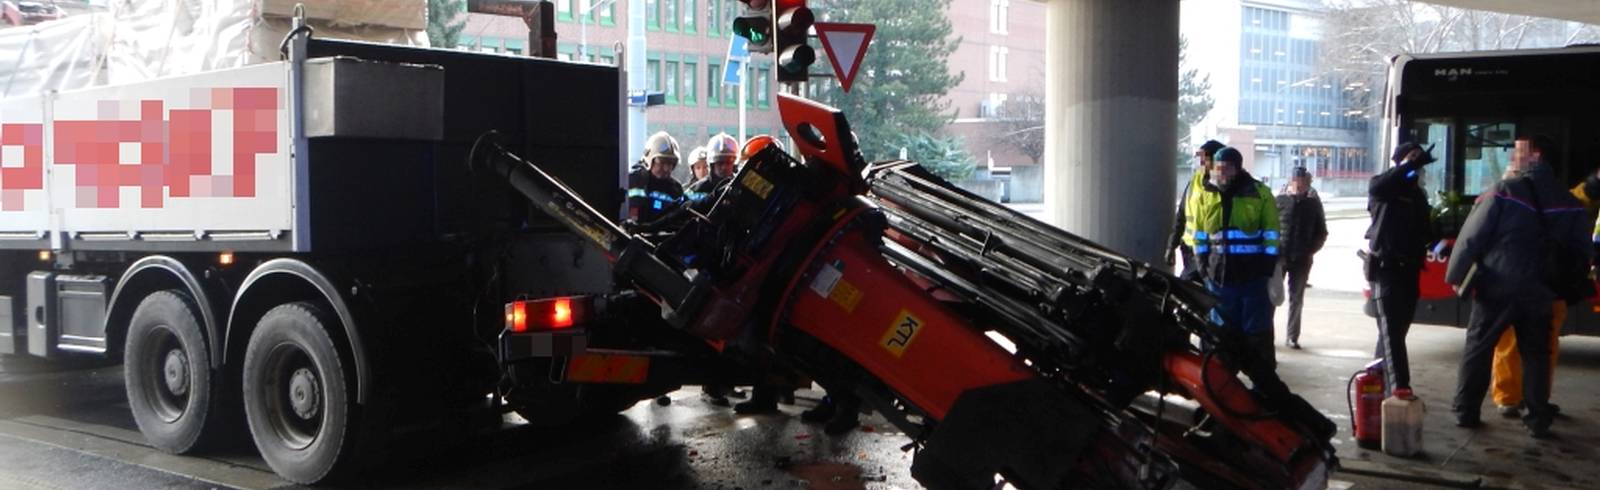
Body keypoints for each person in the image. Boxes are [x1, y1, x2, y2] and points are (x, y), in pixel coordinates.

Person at [1446, 135, 1590, 438]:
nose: (1512, 159)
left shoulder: (1504, 191)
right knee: (1537, 354)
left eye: (1516, 153)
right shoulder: (1570, 203)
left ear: (1534, 157)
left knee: (1479, 348)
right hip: (1541, 292)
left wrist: (1456, 276)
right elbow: (1581, 252)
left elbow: (1472, 238)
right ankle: (1537, 418)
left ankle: (1466, 412)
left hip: (1497, 287)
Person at [1491, 167, 1600, 418]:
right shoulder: (1560, 200)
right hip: (1546, 286)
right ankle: (1530, 400)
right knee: (1541, 347)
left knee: (1520, 344)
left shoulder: (1508, 198)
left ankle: (1516, 398)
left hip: (1525, 284)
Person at [1182, 146, 1281, 368]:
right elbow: (1199, 235)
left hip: (1253, 279)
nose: (1221, 173)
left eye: (1226, 168)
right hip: (1219, 278)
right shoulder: (1205, 195)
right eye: (1218, 168)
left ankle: (1262, 392)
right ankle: (1222, 393)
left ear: (1238, 168)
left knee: (1258, 337)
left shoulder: (1259, 193)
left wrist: (1266, 269)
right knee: (1220, 339)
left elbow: (1272, 235)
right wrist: (1204, 267)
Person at [1364, 142, 1437, 401]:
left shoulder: (1418, 195)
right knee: (1392, 331)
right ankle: (1400, 388)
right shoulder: (1384, 188)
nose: (1417, 164)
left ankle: (1376, 380)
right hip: (1386, 271)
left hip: (1410, 271)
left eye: (1420, 159)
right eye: (1411, 158)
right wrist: (1410, 163)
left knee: (1395, 332)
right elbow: (1379, 186)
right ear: (1399, 161)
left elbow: (1426, 233)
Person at [1275, 167, 1327, 349]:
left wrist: (1310, 250)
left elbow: (1322, 232)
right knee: (1273, 297)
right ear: (1291, 181)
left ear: (1307, 183)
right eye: (1296, 181)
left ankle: (1292, 337)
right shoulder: (1279, 201)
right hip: (1279, 257)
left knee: (1296, 299)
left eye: (1303, 182)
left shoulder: (1313, 204)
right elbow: (1269, 227)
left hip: (1302, 259)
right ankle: (1267, 335)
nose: (1299, 185)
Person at [1169, 140, 1228, 281]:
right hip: (1190, 250)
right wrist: (1171, 245)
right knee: (1188, 290)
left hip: (1216, 253)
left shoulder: (1229, 187)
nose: (1201, 163)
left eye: (1205, 159)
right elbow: (1181, 216)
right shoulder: (1194, 183)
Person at [626, 131, 685, 225]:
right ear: (649, 159)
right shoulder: (631, 181)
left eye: (670, 164)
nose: (666, 169)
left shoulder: (676, 190)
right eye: (662, 162)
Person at [684, 133, 740, 213]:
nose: (724, 167)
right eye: (720, 163)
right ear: (712, 164)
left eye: (728, 162)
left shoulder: (741, 186)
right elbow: (683, 209)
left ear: (734, 164)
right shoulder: (697, 189)